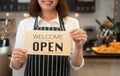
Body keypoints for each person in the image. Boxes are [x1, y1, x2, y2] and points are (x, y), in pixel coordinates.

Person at [10, 0, 87, 76]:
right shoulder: (25, 24)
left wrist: (78, 47)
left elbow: (76, 65)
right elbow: (16, 66)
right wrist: (18, 59)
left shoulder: (71, 23)